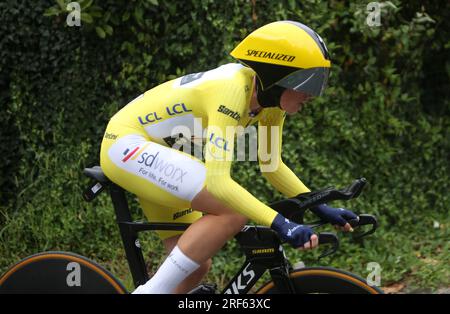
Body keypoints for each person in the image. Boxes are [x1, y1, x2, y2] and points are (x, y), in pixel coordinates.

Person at [99, 21, 358, 294]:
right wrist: (281, 224)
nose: (311, 94)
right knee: (233, 212)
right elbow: (219, 183)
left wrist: (318, 205)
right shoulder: (232, 89)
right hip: (126, 144)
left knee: (196, 266)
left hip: (163, 155)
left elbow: (272, 166)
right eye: (307, 82)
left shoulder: (270, 104)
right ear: (279, 76)